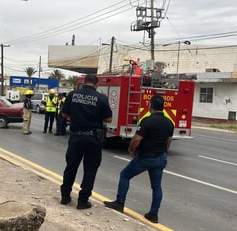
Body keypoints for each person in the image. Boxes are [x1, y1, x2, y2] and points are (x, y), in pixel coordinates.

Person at [103, 95, 174, 224]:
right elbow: (169, 141)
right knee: (156, 186)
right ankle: (154, 214)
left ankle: (119, 203)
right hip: (160, 158)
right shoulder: (169, 123)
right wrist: (164, 152)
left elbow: (136, 139)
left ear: (150, 106)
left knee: (125, 175)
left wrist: (131, 150)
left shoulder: (147, 121)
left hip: (146, 157)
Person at [60, 74, 112, 210]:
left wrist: (76, 117)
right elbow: (109, 119)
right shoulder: (101, 98)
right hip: (93, 139)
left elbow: (64, 114)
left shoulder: (73, 94)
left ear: (84, 82)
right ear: (96, 84)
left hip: (76, 137)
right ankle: (83, 201)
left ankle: (65, 197)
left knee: (71, 167)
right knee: (90, 170)